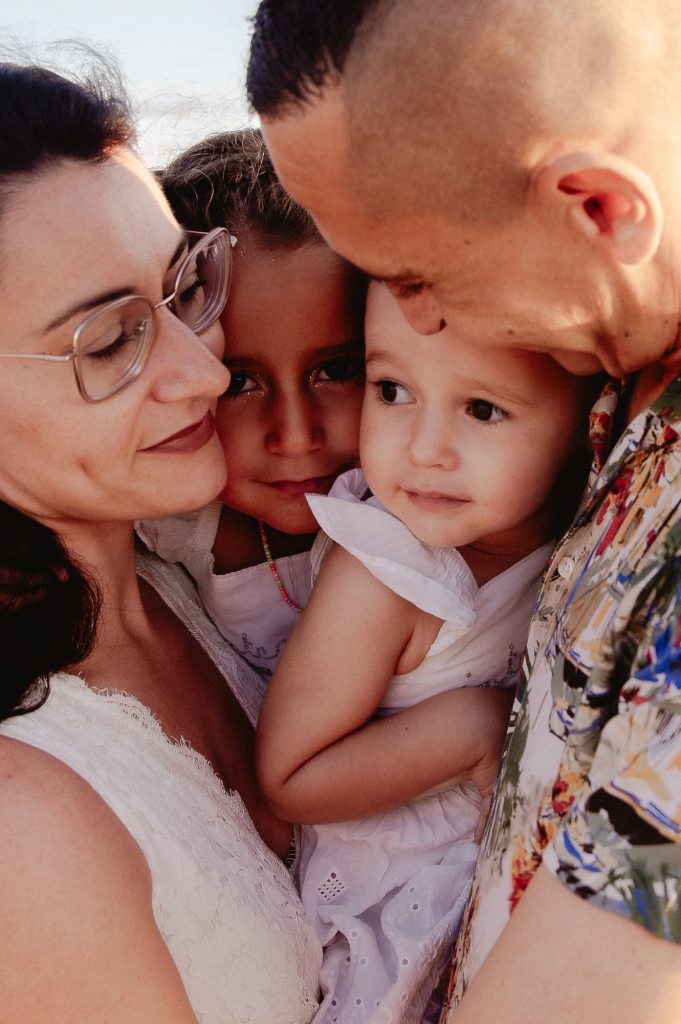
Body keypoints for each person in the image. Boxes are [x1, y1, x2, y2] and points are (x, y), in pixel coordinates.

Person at [246, 1, 681, 1021]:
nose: (420, 322)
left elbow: (631, 954)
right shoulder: (609, 372)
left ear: (602, 212)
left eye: (418, 273)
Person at [0, 60, 323, 1023]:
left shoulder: (195, 573)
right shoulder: (23, 820)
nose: (202, 372)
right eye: (109, 343)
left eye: (186, 287)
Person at [257, 280, 595, 1023]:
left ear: (587, 415)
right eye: (390, 389)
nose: (422, 449)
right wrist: (470, 727)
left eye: (482, 408)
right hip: (389, 908)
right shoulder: (388, 572)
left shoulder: (579, 528)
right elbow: (288, 775)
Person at [139, 128, 365, 677]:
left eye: (335, 371)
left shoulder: (432, 514)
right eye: (239, 382)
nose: (294, 435)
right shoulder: (169, 521)